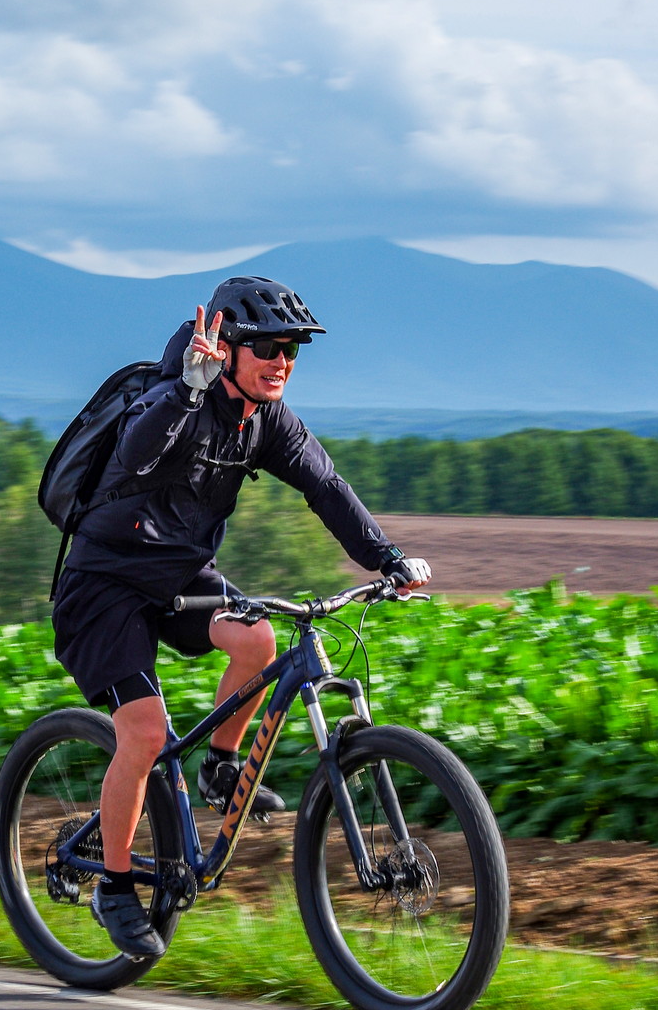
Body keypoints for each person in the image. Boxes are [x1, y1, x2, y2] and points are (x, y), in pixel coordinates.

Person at [52, 274, 432, 958]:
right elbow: (140, 449)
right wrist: (186, 388)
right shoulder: (173, 402)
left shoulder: (268, 420)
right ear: (226, 345)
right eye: (268, 347)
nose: (283, 360)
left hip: (178, 577)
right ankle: (114, 885)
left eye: (292, 349)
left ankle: (221, 766)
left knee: (256, 637)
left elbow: (327, 487)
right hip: (104, 581)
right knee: (140, 731)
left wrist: (387, 559)